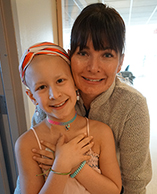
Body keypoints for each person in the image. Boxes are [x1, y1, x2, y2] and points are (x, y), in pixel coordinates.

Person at [30, 3, 152, 194]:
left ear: (120, 63)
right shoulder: (52, 102)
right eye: (84, 53)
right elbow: (36, 171)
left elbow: (134, 185)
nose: (93, 67)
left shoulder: (132, 106)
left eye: (107, 55)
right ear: (70, 56)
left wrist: (69, 165)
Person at [15, 42, 122, 194]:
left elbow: (113, 191)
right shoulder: (27, 144)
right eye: (42, 87)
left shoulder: (101, 132)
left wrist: (76, 167)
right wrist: (61, 165)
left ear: (74, 82)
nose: (54, 95)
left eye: (60, 81)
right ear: (32, 96)